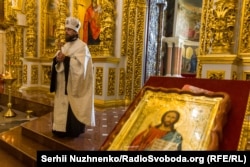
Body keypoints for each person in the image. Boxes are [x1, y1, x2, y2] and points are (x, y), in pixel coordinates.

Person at [50, 16, 95, 138]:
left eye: (69, 30)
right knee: (60, 106)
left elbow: (82, 67)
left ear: (75, 31)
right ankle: (59, 129)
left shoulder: (82, 46)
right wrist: (57, 59)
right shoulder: (65, 46)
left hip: (72, 85)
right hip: (61, 86)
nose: (66, 32)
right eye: (66, 29)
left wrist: (66, 60)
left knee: (72, 106)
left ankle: (72, 130)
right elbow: (57, 60)